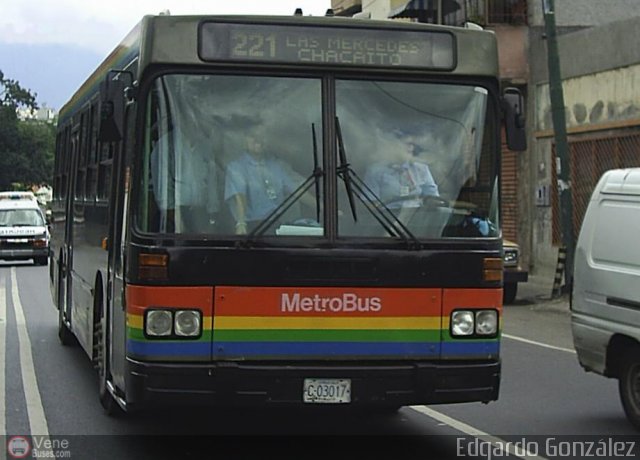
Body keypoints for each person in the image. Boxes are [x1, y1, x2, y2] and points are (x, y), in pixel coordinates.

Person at [224, 128, 305, 235]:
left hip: (276, 225)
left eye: (262, 136)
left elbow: (297, 191)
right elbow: (240, 196)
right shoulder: (236, 167)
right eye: (253, 136)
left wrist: (323, 207)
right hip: (250, 228)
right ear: (244, 140)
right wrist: (241, 223)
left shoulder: (275, 166)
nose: (258, 140)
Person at [150, 125, 220, 233]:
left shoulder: (206, 146)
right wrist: (179, 223)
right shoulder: (165, 146)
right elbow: (163, 190)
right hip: (174, 216)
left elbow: (212, 184)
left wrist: (212, 220)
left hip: (202, 215)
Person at [364, 129, 440, 210]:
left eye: (413, 144)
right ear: (393, 145)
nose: (411, 147)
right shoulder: (375, 171)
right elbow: (370, 204)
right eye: (407, 144)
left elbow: (433, 198)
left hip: (416, 217)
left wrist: (434, 204)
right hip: (387, 218)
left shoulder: (421, 169)